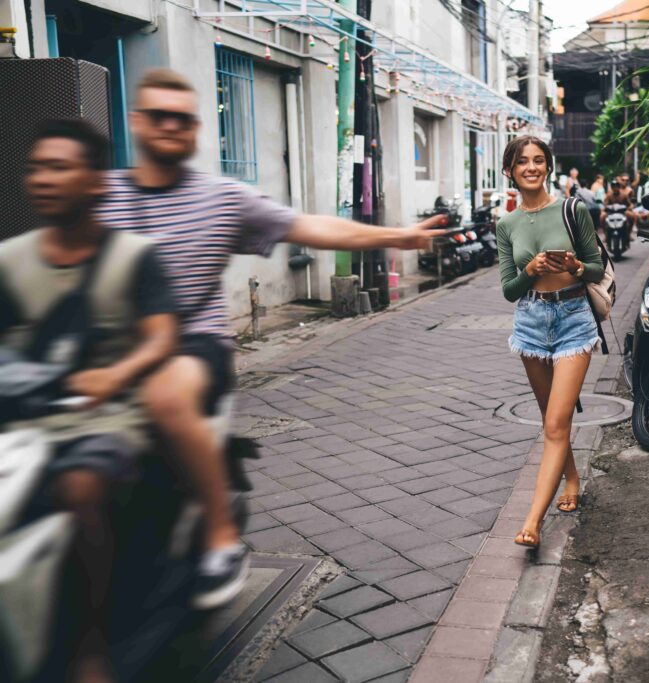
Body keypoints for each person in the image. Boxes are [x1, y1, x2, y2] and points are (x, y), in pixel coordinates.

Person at [95, 68, 446, 609]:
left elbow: (311, 227)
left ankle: (219, 536)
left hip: (193, 347)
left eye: (182, 120)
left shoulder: (219, 198)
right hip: (113, 349)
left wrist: (398, 235)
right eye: (158, 117)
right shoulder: (105, 195)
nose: (169, 127)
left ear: (195, 131)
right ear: (137, 122)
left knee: (165, 393)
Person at [0, 119, 178, 683]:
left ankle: (90, 642)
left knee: (80, 488)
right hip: (22, 415)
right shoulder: (9, 259)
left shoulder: (134, 257)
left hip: (106, 417)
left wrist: (116, 374)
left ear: (98, 181)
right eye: (36, 168)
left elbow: (160, 336)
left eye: (60, 167)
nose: (43, 179)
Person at [496, 136, 605, 548]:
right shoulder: (505, 225)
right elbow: (509, 289)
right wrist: (531, 268)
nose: (531, 167)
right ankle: (572, 479)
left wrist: (575, 264)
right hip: (530, 322)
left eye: (539, 160)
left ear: (548, 167)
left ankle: (532, 521)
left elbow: (594, 269)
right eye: (522, 161)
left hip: (574, 319)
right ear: (510, 169)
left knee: (557, 423)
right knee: (552, 422)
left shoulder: (572, 208)